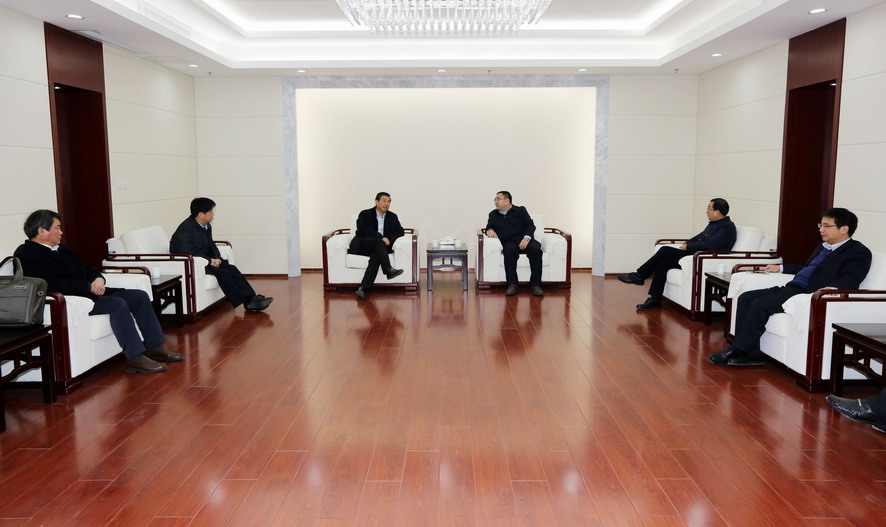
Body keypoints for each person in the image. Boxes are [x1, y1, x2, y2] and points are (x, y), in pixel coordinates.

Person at [15, 210, 182, 374]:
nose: (61, 232)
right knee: (117, 304)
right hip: (75, 300)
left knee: (139, 296)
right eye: (57, 228)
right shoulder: (26, 254)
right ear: (42, 231)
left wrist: (98, 279)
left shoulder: (62, 249)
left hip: (92, 292)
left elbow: (86, 268)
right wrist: (87, 287)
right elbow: (50, 284)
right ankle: (135, 357)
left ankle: (155, 347)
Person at [709, 208, 871, 367]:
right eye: (820, 225)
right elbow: (808, 268)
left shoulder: (858, 252)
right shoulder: (823, 247)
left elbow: (851, 278)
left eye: (826, 226)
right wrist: (781, 268)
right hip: (792, 287)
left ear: (844, 229)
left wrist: (829, 289)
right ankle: (751, 353)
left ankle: (738, 350)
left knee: (760, 304)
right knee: (746, 297)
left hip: (807, 293)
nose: (821, 229)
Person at [618, 198, 736, 310]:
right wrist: (687, 243)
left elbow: (711, 245)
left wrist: (688, 246)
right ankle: (655, 299)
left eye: (709, 208)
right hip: (694, 255)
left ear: (717, 212)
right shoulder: (714, 224)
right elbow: (699, 237)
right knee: (663, 263)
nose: (706, 211)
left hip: (703, 259)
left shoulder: (727, 228)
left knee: (665, 250)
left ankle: (639, 276)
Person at [170, 197, 272, 312]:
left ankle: (251, 299)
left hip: (206, 260)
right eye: (210, 212)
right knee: (223, 273)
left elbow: (211, 245)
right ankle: (243, 302)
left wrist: (217, 258)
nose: (213, 214)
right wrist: (210, 260)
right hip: (194, 263)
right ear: (201, 214)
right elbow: (188, 251)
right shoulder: (186, 229)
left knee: (231, 268)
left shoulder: (206, 226)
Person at [485, 190, 544, 297]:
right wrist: (490, 230)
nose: (496, 202)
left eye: (498, 199)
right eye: (495, 199)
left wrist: (526, 238)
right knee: (509, 251)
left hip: (525, 239)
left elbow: (530, 225)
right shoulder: (493, 214)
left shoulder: (520, 210)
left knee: (536, 249)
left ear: (507, 200)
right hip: (509, 242)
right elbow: (489, 227)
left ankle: (535, 285)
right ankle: (512, 284)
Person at [350, 192, 404, 299]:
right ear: (376, 202)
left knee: (376, 256)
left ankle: (363, 288)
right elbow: (362, 229)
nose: (387, 204)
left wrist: (390, 239)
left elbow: (400, 231)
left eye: (389, 202)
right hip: (363, 245)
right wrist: (380, 236)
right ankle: (388, 269)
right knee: (378, 242)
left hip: (380, 248)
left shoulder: (392, 217)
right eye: (384, 201)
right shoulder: (365, 214)